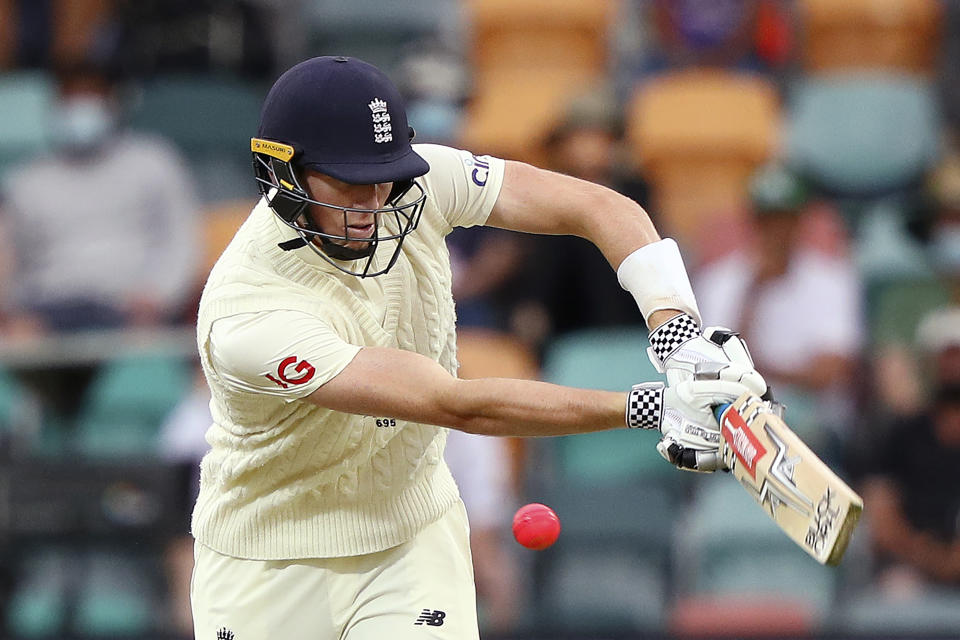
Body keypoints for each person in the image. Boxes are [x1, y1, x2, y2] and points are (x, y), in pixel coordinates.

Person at [189, 56, 768, 640]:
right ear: (282, 172)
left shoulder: (415, 183)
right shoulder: (250, 312)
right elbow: (459, 405)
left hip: (409, 537)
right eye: (348, 182)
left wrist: (680, 340)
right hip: (269, 561)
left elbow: (599, 207)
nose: (374, 203)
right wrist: (656, 409)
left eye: (382, 177)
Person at [0, 59, 200, 334]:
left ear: (112, 103)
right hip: (46, 308)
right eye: (71, 99)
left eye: (90, 98)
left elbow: (182, 240)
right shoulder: (27, 180)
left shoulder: (154, 162)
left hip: (133, 307)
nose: (80, 108)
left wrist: (160, 295)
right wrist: (13, 313)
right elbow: (9, 262)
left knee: (151, 348)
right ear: (54, 106)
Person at [694, 162, 864, 450]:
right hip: (739, 422)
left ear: (800, 221)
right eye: (768, 220)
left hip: (817, 426)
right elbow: (715, 374)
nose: (777, 231)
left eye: (785, 219)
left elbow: (830, 374)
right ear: (753, 222)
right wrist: (753, 293)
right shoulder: (718, 283)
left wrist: (759, 371)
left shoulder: (832, 279)